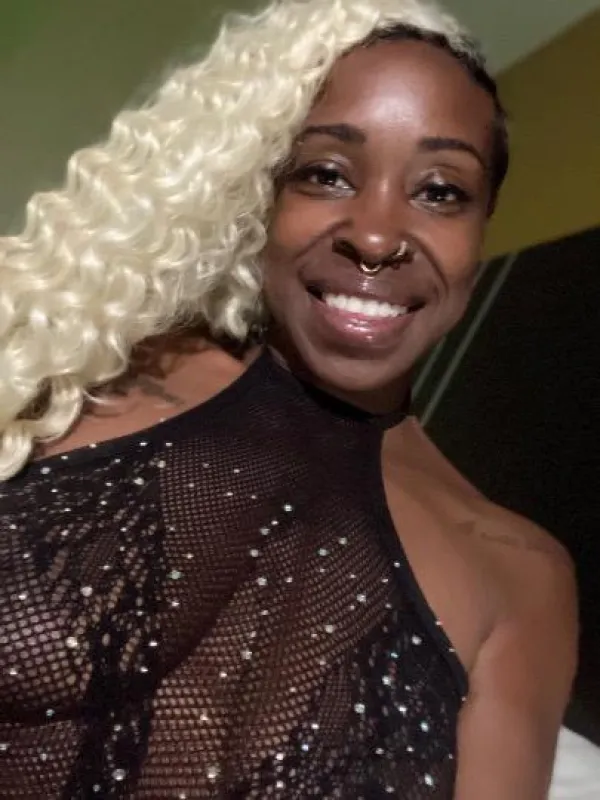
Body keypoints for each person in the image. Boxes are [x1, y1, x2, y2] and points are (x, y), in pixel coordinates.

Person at [0, 0, 578, 797]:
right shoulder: (72, 369)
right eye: (326, 174)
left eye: (441, 191)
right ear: (264, 194)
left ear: (481, 233)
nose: (375, 236)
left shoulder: (518, 574)